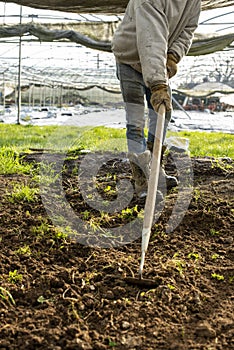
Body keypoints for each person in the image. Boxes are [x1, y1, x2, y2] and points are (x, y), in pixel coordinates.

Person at [112, 0, 201, 197]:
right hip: (130, 58)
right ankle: (142, 179)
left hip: (157, 60)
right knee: (135, 121)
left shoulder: (194, 2)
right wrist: (158, 84)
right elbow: (150, 40)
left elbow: (188, 29)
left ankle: (155, 170)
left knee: (163, 114)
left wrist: (173, 56)